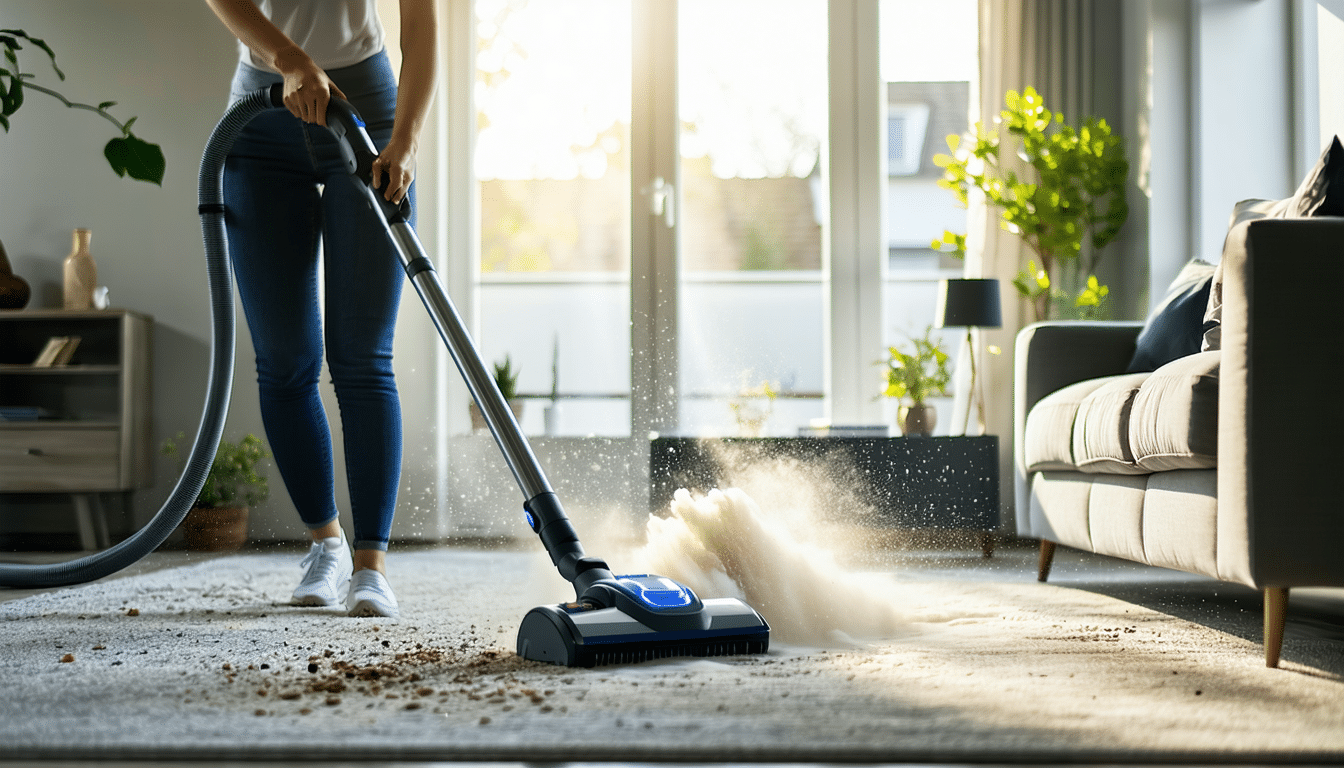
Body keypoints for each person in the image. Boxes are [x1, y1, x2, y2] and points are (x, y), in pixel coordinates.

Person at [205, 0, 437, 618]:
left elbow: (420, 24)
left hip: (365, 106)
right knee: (284, 360)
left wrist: (407, 141)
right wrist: (290, 59)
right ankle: (325, 543)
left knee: (362, 358)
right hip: (262, 113)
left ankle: (371, 566)